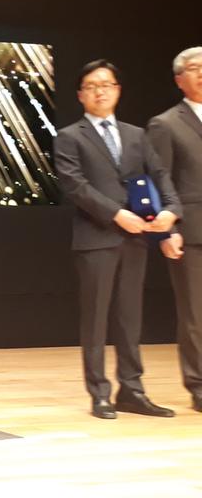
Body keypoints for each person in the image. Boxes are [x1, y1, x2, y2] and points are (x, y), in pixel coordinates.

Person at [53, 59, 180, 420]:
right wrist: (115, 214)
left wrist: (171, 212)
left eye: (107, 84)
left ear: (118, 91)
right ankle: (100, 393)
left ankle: (132, 390)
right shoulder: (69, 136)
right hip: (96, 237)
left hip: (136, 239)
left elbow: (160, 174)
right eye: (92, 86)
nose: (100, 91)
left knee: (129, 317)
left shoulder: (136, 135)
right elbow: (75, 186)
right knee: (95, 319)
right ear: (81, 95)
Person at [147, 46, 202, 413]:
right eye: (196, 68)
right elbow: (157, 180)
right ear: (180, 79)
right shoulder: (165, 124)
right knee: (196, 314)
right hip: (191, 231)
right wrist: (166, 232)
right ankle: (199, 385)